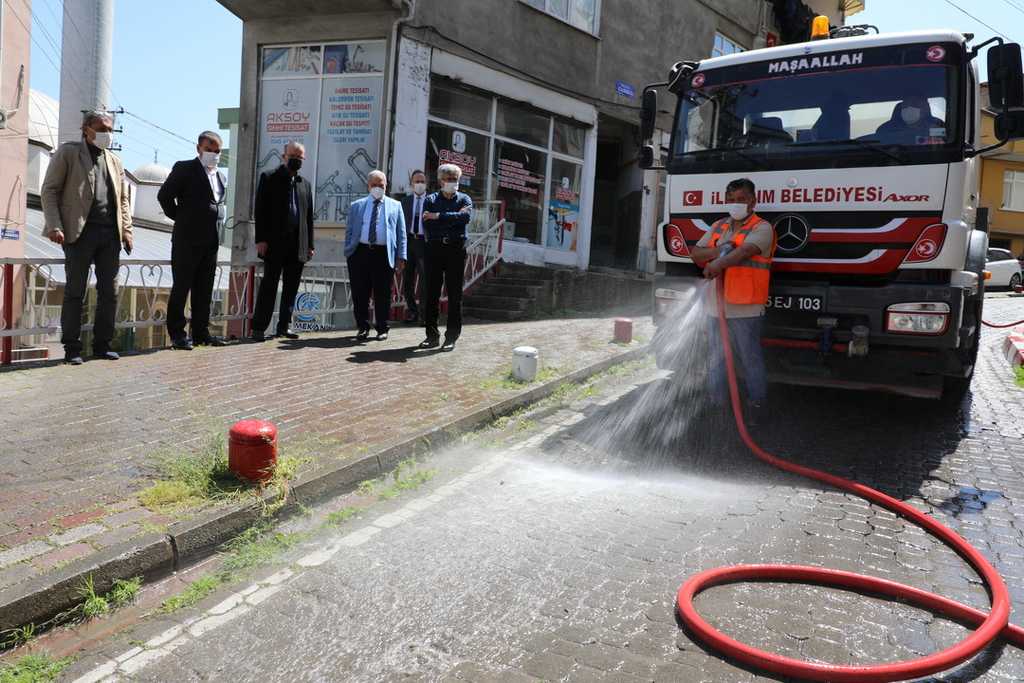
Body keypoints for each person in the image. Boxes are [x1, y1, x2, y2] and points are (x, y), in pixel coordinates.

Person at [40, 110, 132, 365]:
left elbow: (123, 200)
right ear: (86, 129)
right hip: (78, 233)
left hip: (109, 236)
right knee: (75, 292)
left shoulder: (114, 161)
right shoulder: (68, 153)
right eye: (101, 129)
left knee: (109, 293)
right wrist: (54, 226)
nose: (106, 134)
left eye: (110, 130)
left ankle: (102, 345)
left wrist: (126, 231)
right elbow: (49, 190)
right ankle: (72, 348)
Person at [690, 178, 776, 420]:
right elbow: (696, 254)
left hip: (745, 307)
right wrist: (719, 250)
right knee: (715, 357)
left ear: (753, 201)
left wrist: (717, 262)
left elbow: (744, 252)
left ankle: (757, 405)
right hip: (715, 306)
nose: (736, 204)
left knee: (750, 359)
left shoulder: (762, 228)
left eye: (741, 199)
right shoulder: (719, 226)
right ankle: (716, 403)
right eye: (732, 200)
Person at [158, 131, 228, 350]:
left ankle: (200, 333)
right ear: (199, 148)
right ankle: (178, 334)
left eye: (217, 151)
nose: (213, 154)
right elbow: (164, 196)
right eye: (209, 149)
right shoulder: (185, 168)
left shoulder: (220, 176)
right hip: (187, 241)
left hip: (211, 242)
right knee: (182, 288)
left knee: (204, 289)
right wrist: (182, 218)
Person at [250, 142, 315, 342]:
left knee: (291, 287)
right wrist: (260, 239)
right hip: (274, 243)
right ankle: (259, 328)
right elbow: (260, 211)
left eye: (300, 156)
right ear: (284, 155)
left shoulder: (305, 184)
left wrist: (310, 244)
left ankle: (283, 326)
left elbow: (309, 217)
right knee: (269, 285)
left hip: (298, 244)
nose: (296, 159)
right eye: (293, 155)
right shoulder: (269, 177)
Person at [344, 170, 406, 340]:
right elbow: (349, 230)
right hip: (360, 252)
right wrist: (348, 251)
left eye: (381, 185)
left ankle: (382, 327)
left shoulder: (395, 205)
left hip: (384, 254)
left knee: (383, 292)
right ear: (368, 185)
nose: (378, 188)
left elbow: (401, 233)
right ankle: (362, 327)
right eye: (375, 185)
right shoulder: (357, 205)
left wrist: (401, 256)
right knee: (360, 292)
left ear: (386, 186)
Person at [421, 164, 473, 351]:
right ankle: (431, 336)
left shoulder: (465, 199)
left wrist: (438, 217)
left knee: (454, 295)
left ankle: (451, 337)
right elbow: (427, 222)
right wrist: (449, 219)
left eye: (455, 179)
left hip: (455, 249)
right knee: (431, 294)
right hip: (434, 248)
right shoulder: (430, 199)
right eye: (449, 179)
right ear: (441, 181)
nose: (452, 183)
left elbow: (465, 219)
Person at [400, 170, 429, 323]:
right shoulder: (405, 202)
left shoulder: (433, 201)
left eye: (422, 181)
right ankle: (413, 312)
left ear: (426, 184)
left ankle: (424, 315)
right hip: (409, 242)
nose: (419, 184)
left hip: (424, 243)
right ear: (411, 184)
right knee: (407, 279)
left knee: (425, 280)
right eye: (416, 181)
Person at [875, 96, 945, 145]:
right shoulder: (885, 130)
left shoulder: (937, 126)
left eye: (915, 104)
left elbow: (944, 146)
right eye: (906, 104)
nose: (909, 108)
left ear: (926, 108)